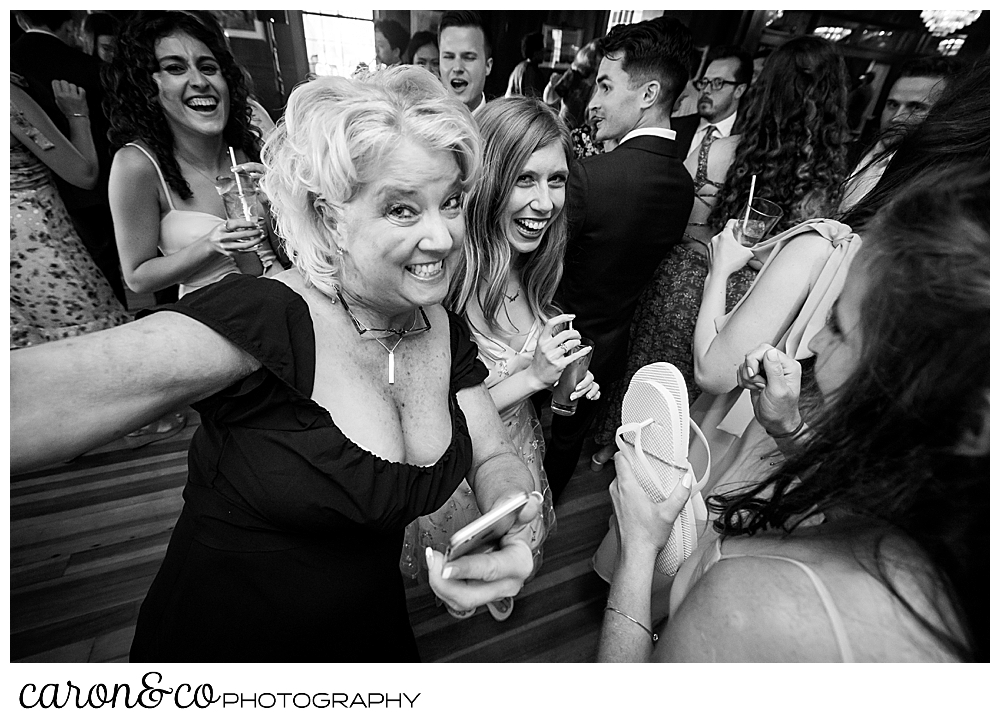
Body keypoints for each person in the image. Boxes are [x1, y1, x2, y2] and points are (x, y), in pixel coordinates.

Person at [11, 66, 545, 662]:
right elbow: (30, 401)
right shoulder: (267, 315)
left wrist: (504, 520)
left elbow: (494, 453)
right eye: (401, 209)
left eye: (451, 203)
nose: (443, 237)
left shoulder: (438, 322)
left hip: (369, 634)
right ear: (327, 218)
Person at [598, 163, 987, 662]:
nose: (817, 343)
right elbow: (852, 511)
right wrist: (789, 428)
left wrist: (638, 550)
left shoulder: (753, 608)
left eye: (840, 328)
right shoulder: (945, 555)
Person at [589, 35, 850, 472]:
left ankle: (615, 443)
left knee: (650, 370)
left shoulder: (719, 151)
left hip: (689, 275)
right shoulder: (827, 186)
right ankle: (664, 466)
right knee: (696, 397)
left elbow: (677, 215)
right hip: (751, 302)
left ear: (761, 92)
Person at [401, 97, 599, 621]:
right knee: (463, 559)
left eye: (556, 180)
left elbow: (541, 385)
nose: (545, 201)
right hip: (458, 464)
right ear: (488, 182)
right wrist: (534, 374)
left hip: (520, 447)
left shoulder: (537, 270)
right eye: (525, 179)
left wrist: (565, 382)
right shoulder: (445, 280)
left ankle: (497, 580)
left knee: (510, 538)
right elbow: (434, 417)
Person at [543, 16, 694, 500]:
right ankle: (540, 522)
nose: (593, 102)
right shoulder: (684, 186)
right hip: (608, 347)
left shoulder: (590, 177)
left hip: (555, 338)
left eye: (606, 86)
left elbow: (547, 268)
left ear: (648, 94)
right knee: (565, 443)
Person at [105, 11, 280, 299]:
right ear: (147, 86)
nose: (199, 81)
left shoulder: (249, 147)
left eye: (208, 68)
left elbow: (284, 253)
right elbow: (137, 277)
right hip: (213, 319)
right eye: (175, 68)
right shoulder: (137, 165)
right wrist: (211, 244)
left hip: (283, 298)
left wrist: (278, 205)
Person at [12, 10, 127, 306]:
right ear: (72, 25)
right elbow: (85, 172)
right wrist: (78, 115)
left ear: (22, 21)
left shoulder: (15, 61)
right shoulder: (90, 68)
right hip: (70, 205)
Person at [10, 74, 131, 348]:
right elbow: (83, 173)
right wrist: (77, 115)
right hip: (40, 247)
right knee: (91, 345)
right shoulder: (10, 98)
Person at [840, 56, 961, 212]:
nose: (897, 117)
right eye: (892, 104)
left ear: (943, 113)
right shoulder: (846, 152)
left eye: (915, 107)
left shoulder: (934, 182)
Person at [670, 45, 752, 161]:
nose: (706, 90)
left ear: (739, 90)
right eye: (704, 82)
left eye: (718, 83)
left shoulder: (748, 140)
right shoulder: (673, 129)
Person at [439, 10, 493, 115]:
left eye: (468, 58)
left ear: (488, 66)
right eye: (449, 57)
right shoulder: (417, 126)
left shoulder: (501, 128)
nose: (457, 67)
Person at [542, 39, 599, 131]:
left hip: (585, 133)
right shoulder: (574, 75)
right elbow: (549, 99)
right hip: (564, 129)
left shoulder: (601, 83)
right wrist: (551, 85)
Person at [505, 31, 546, 98]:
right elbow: (532, 98)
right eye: (542, 50)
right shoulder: (531, 70)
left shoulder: (518, 67)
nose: (544, 54)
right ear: (535, 52)